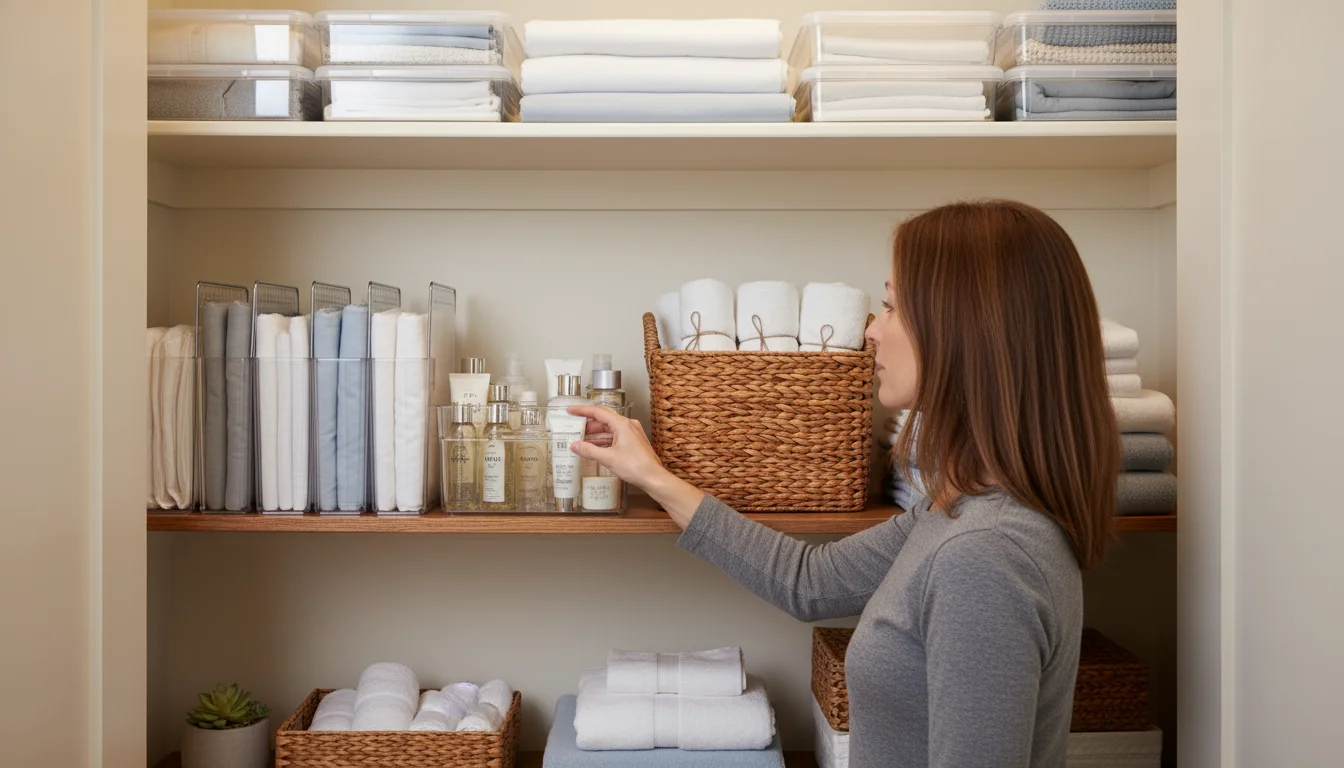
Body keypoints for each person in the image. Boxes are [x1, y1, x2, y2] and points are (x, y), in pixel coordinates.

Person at [569, 199, 1119, 768]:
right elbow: (812, 581)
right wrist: (653, 476)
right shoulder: (958, 507)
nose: (873, 331)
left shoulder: (983, 558)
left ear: (965, 331)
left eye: (892, 307)